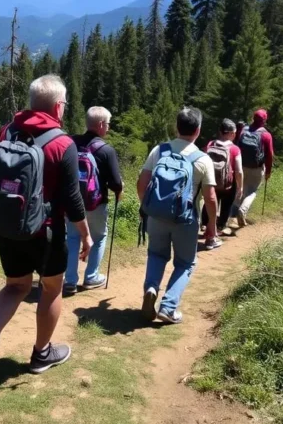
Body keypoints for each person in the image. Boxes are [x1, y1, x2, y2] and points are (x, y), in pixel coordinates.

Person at [0, 74, 92, 385]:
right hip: (46, 232)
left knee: (15, 286)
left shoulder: (6, 131)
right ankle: (41, 353)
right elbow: (72, 199)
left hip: (7, 225)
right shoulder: (63, 144)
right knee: (50, 289)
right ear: (58, 107)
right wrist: (85, 234)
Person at [137, 107, 219, 324]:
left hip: (156, 217)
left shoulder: (159, 150)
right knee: (185, 263)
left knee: (156, 255)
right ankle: (168, 307)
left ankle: (151, 288)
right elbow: (210, 198)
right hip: (186, 219)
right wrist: (212, 225)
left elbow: (141, 184)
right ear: (198, 130)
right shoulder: (203, 159)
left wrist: (148, 208)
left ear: (177, 127)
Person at [64, 106, 123, 295]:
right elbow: (116, 183)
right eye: (108, 124)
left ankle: (70, 280)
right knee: (99, 237)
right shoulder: (106, 150)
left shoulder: (71, 143)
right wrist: (119, 189)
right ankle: (91, 277)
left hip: (72, 202)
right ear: (101, 124)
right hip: (96, 203)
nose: (109, 127)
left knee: (72, 238)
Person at [234, 108, 275, 227]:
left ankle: (233, 213)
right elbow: (269, 155)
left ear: (253, 118)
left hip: (241, 165)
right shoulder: (266, 135)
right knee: (252, 191)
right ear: (264, 120)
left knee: (240, 188)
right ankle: (242, 210)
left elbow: (236, 146)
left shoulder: (243, 130)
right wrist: (268, 171)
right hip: (256, 168)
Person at [204, 119, 244, 237]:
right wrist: (240, 187)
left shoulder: (210, 144)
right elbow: (239, 171)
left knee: (209, 201)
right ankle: (220, 226)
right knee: (226, 205)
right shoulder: (235, 149)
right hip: (228, 184)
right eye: (234, 133)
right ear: (231, 134)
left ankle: (205, 224)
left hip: (211, 181)